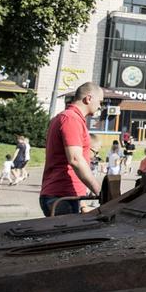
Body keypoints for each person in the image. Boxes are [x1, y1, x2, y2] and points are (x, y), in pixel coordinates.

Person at [40, 82, 103, 216]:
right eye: (100, 101)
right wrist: (99, 191)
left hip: (63, 194)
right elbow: (75, 159)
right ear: (89, 98)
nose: (100, 106)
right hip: (61, 195)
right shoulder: (71, 118)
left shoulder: (69, 118)